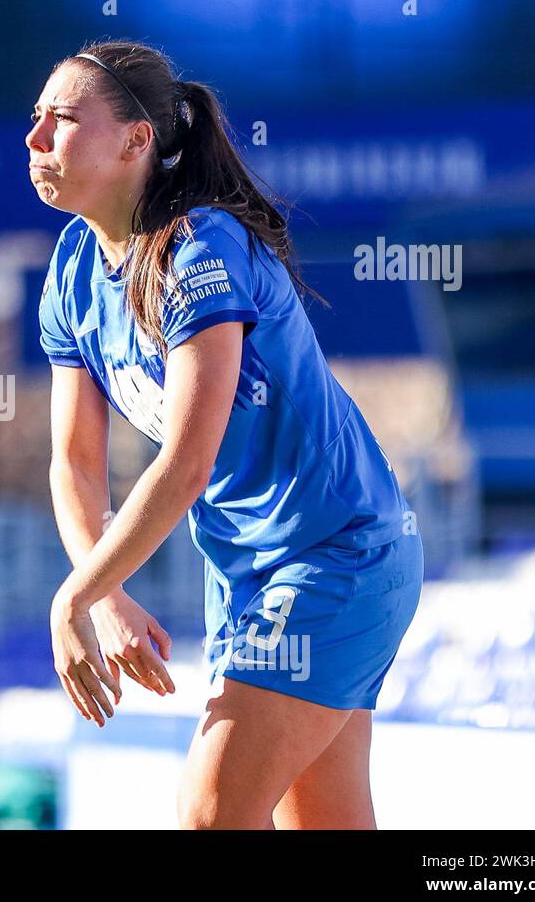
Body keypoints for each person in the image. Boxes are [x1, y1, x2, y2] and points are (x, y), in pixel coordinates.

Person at [29, 40, 423, 829]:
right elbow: (73, 464)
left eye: (63, 120)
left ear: (139, 139)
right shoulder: (73, 266)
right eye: (34, 119)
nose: (35, 140)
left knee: (211, 814)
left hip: (336, 554)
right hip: (248, 575)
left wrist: (75, 595)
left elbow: (185, 460)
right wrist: (103, 597)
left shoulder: (200, 247)